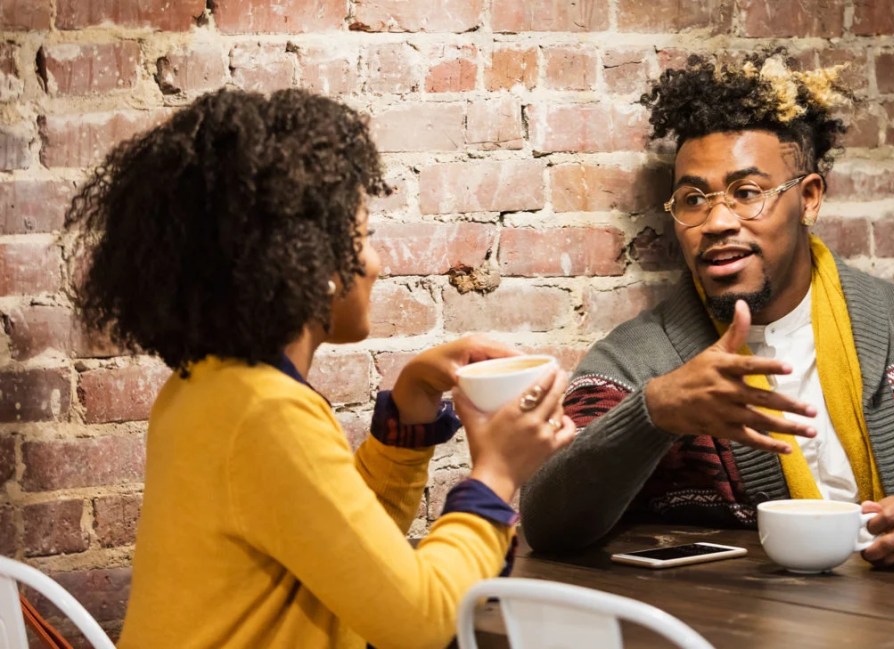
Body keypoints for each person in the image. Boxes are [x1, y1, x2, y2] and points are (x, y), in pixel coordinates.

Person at [65, 88, 575, 649]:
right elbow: (423, 621)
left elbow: (344, 550)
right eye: (362, 236)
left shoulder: (205, 388)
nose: (377, 264)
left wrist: (410, 406)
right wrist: (498, 476)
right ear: (314, 264)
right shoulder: (266, 413)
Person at [520, 52, 894, 571]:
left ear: (808, 199)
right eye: (693, 199)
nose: (717, 220)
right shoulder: (637, 363)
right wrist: (653, 413)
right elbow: (546, 524)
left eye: (746, 193)